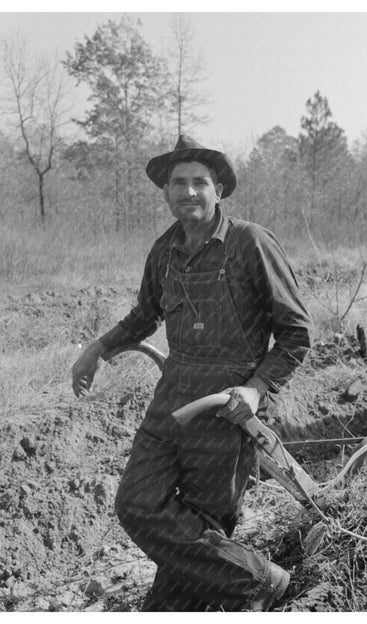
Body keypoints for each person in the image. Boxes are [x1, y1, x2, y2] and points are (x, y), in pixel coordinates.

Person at [71, 135, 313, 612]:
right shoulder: (164, 250)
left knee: (205, 520)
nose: (188, 192)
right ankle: (260, 579)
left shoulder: (250, 242)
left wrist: (257, 388)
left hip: (228, 405)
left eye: (199, 182)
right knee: (136, 502)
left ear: (218, 189)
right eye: (178, 183)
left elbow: (296, 332)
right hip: (174, 393)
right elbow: (146, 314)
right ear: (165, 192)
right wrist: (99, 348)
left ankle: (182, 604)